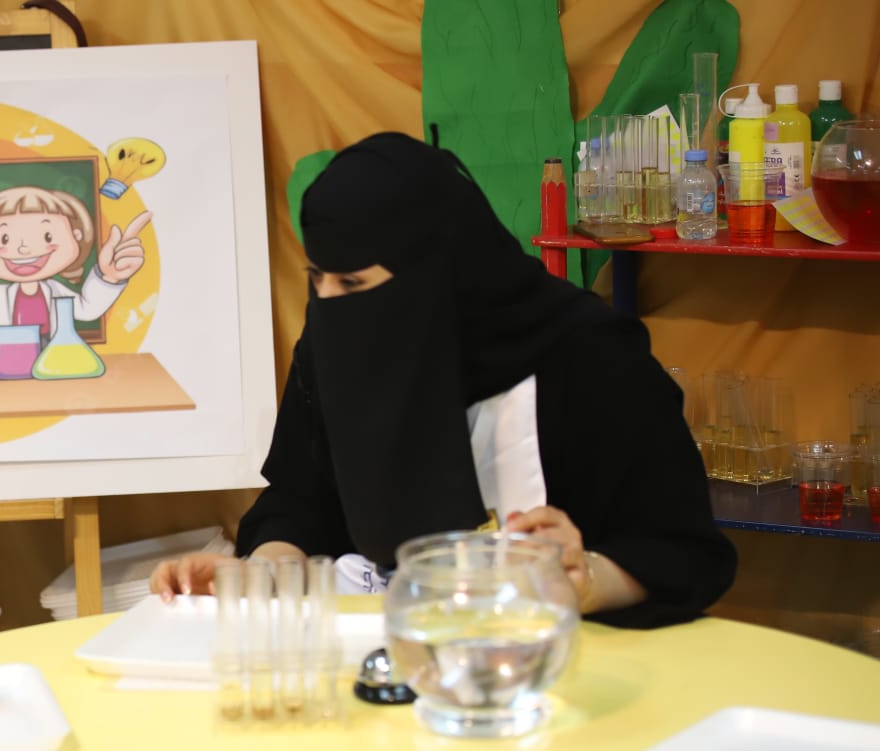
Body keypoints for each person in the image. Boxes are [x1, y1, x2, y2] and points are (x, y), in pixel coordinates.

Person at [151, 132, 736, 630]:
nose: (329, 304)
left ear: (438, 269)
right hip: (373, 660)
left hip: (548, 667)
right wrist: (263, 575)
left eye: (352, 284)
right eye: (318, 279)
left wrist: (583, 579)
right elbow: (300, 500)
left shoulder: (591, 359)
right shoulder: (334, 342)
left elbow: (680, 549)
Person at [0, 185, 150, 358]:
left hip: (51, 351)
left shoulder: (56, 290)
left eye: (47, 236)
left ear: (76, 235)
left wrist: (109, 277)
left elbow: (88, 310)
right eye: (4, 239)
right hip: (11, 351)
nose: (24, 249)